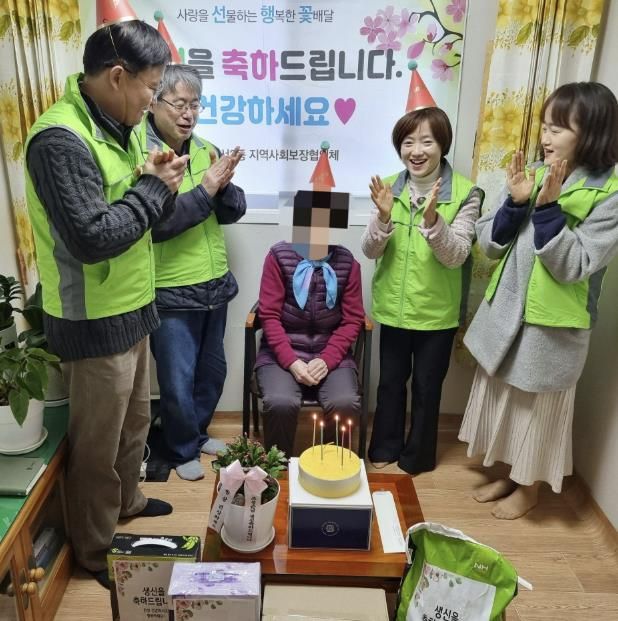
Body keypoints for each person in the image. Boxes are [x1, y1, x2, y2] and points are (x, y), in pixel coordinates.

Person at [25, 22, 188, 588]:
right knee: (96, 444)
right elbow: (92, 236)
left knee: (135, 423)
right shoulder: (59, 140)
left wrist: (163, 185)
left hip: (132, 306)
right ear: (117, 76)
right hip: (90, 319)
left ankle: (128, 503)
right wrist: (154, 190)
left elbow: (141, 217)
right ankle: (95, 551)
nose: (153, 100)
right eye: (150, 87)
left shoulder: (126, 126)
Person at [459, 82, 618, 519]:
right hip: (508, 311)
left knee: (537, 411)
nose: (546, 137)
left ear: (592, 133)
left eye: (558, 128)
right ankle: (511, 475)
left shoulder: (610, 193)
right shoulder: (531, 170)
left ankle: (529, 491)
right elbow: (488, 243)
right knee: (508, 401)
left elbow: (576, 264)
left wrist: (548, 210)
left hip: (553, 325)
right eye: (545, 127)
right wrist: (515, 204)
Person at [362, 107, 483, 474]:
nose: (416, 151)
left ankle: (418, 457)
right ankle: (385, 446)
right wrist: (383, 217)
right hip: (394, 310)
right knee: (389, 385)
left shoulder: (466, 192)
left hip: (437, 314)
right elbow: (369, 251)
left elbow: (456, 255)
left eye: (426, 142)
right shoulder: (388, 186)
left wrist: (433, 222)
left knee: (428, 390)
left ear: (442, 145)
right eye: (408, 142)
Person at [146, 64, 246, 481]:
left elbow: (232, 212)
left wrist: (225, 187)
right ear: (154, 103)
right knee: (176, 378)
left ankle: (198, 433)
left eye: (195, 104)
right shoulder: (145, 155)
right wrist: (206, 189)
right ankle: (181, 447)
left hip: (214, 282)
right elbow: (160, 225)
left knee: (212, 371)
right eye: (179, 104)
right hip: (170, 287)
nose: (188, 114)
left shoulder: (207, 148)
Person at [255, 197, 365, 458]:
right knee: (280, 402)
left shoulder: (348, 262)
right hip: (281, 353)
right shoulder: (277, 257)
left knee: (345, 403)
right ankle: (278, 467)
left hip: (332, 354)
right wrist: (292, 361)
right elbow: (268, 315)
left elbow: (352, 320)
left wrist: (327, 360)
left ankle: (332, 467)